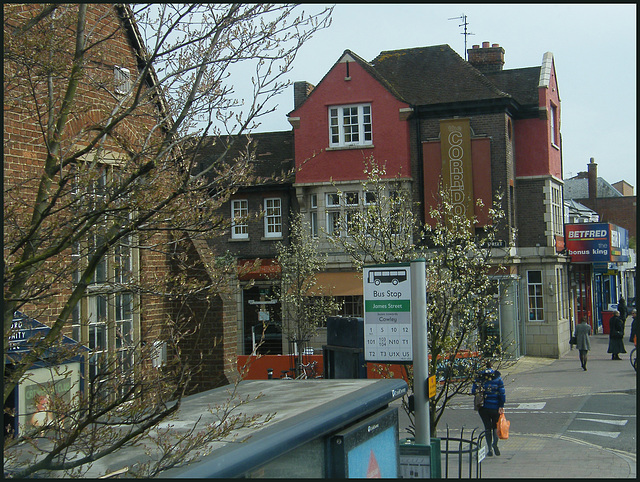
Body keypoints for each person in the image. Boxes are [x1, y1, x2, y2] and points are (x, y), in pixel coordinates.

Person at [471, 361, 506, 457]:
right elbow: (502, 392)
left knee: (487, 427)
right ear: (492, 366)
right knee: (495, 427)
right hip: (495, 407)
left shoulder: (479, 378)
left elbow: (473, 391)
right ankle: (495, 443)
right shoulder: (497, 378)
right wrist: (501, 405)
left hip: (483, 407)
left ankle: (489, 448)